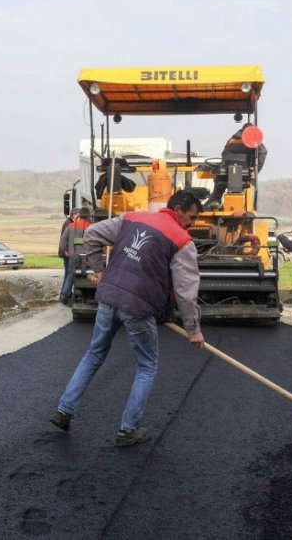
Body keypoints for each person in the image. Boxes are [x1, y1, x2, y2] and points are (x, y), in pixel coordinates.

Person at [49, 190, 205, 447]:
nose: (194, 223)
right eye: (192, 217)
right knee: (146, 366)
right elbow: (186, 292)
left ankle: (64, 410)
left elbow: (92, 235)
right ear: (178, 209)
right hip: (139, 306)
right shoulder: (182, 240)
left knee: (94, 354)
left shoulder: (132, 218)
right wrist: (193, 329)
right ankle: (128, 429)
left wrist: (100, 271)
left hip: (109, 297)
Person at [203, 123, 268, 211]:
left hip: (224, 175)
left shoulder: (231, 139)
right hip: (242, 175)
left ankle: (214, 202)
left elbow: (224, 154)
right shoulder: (251, 138)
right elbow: (263, 151)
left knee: (218, 188)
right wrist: (256, 170)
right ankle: (245, 208)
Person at [58, 207, 91, 304]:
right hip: (87, 257)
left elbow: (62, 241)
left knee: (70, 275)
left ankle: (64, 296)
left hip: (73, 255)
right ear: (89, 216)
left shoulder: (71, 226)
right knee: (87, 275)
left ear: (80, 215)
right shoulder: (92, 227)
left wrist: (65, 250)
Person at [58, 208, 80, 295]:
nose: (80, 216)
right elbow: (65, 239)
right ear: (73, 215)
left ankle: (66, 293)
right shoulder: (69, 224)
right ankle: (64, 294)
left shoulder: (69, 222)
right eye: (78, 214)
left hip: (67, 252)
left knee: (68, 274)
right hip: (67, 253)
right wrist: (66, 251)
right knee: (68, 274)